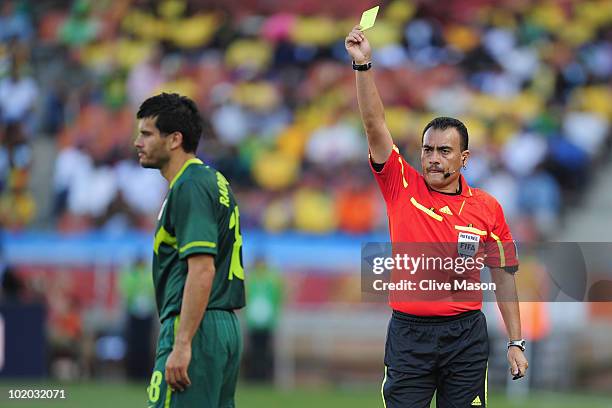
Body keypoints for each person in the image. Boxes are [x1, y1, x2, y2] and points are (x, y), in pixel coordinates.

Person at [345, 26, 528, 407]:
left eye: (444, 151)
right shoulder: (401, 186)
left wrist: (515, 341)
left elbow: (504, 277)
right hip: (409, 336)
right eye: (428, 149)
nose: (432, 158)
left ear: (464, 159)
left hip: (466, 337)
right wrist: (363, 65)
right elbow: (375, 126)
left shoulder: (487, 208)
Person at [134, 93, 245, 408]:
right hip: (221, 325)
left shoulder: (190, 185)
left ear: (174, 140)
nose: (137, 142)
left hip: (196, 326)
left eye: (146, 133)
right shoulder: (214, 180)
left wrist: (182, 343)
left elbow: (202, 268)